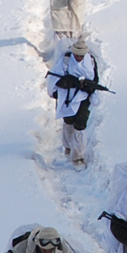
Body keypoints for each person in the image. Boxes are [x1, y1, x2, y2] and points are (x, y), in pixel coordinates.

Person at [47, 36, 101, 167]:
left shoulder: (91, 62)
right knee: (69, 121)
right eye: (77, 55)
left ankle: (78, 156)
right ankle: (69, 146)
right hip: (67, 97)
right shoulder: (64, 61)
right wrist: (71, 83)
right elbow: (55, 79)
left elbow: (95, 80)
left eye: (81, 56)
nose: (78, 58)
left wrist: (87, 87)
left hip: (82, 97)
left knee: (81, 124)